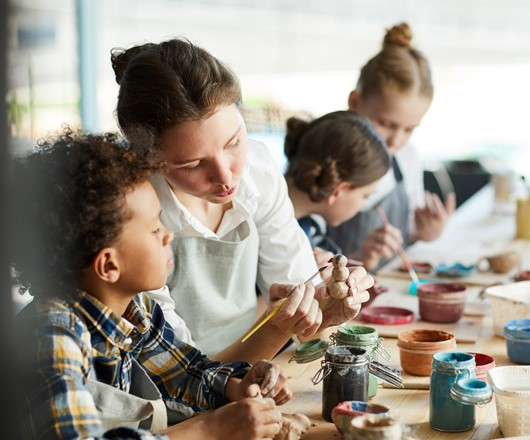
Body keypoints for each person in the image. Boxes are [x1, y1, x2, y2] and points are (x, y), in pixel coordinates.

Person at [10, 128, 290, 439]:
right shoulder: (53, 337)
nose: (168, 235)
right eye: (155, 228)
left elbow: (183, 374)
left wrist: (237, 386)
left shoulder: (134, 308)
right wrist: (209, 429)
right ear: (109, 265)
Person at [111, 38, 373, 364]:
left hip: (252, 370)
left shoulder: (258, 170)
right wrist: (278, 327)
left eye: (234, 142)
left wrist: (325, 308)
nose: (226, 176)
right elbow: (176, 374)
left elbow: (302, 308)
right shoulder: (132, 214)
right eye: (193, 164)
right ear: (148, 159)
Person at [325, 22, 456, 271]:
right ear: (354, 102)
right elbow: (299, 263)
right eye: (385, 123)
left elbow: (406, 232)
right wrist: (361, 255)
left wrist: (423, 232)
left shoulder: (407, 157)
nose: (396, 140)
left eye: (409, 129)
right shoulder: (323, 161)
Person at [283, 110, 391, 268]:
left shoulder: (309, 225)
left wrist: (362, 256)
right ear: (338, 190)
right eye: (365, 196)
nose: (363, 205)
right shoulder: (269, 228)